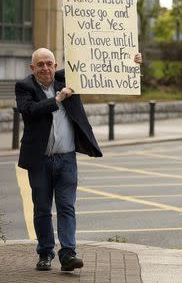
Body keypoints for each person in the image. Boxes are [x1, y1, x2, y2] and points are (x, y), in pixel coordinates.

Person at [15, 48, 142, 272]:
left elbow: (99, 68)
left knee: (66, 207)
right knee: (42, 208)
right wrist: (57, 99)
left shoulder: (70, 77)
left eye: (49, 63)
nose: (45, 68)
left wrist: (130, 63)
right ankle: (45, 254)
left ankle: (68, 254)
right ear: (32, 68)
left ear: (56, 66)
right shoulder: (24, 87)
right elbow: (30, 110)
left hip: (66, 159)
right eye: (40, 64)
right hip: (40, 161)